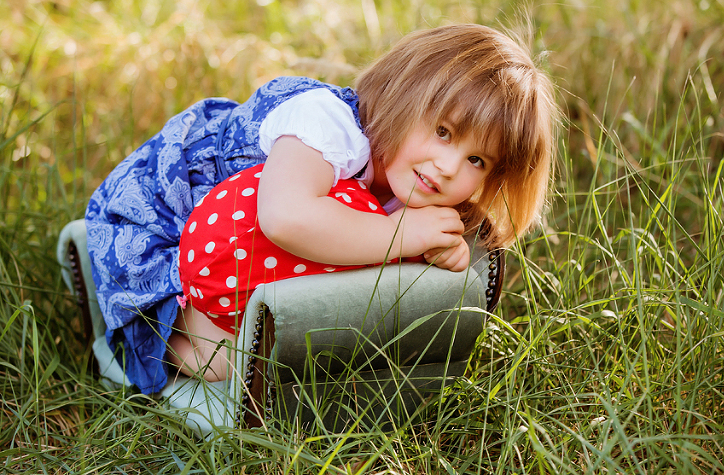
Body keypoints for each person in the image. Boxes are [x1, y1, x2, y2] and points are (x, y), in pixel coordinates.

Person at [85, 23, 557, 394]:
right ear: (403, 96)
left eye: (477, 160)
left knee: (293, 352)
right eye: (444, 132)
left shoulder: (412, 183)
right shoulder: (328, 124)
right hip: (159, 219)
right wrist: (402, 236)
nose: (449, 166)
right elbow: (285, 217)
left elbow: (357, 246)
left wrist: (437, 251)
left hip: (237, 257)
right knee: (226, 364)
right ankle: (161, 337)